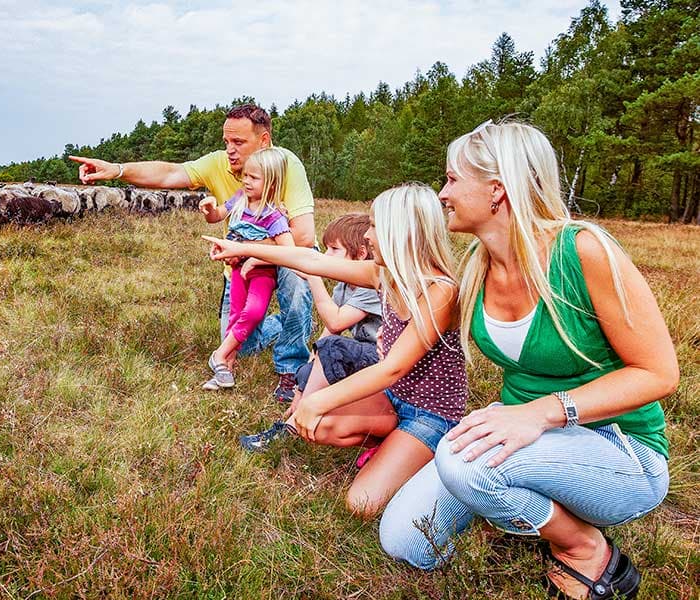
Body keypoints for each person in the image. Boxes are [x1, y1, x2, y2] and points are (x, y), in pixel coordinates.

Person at [378, 121, 677, 600]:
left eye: (452, 179)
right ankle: (530, 503)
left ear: (497, 189)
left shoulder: (582, 250)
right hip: (529, 435)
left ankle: (586, 548)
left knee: (462, 461)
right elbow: (385, 272)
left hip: (620, 450)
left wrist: (538, 413)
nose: (442, 194)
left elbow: (660, 373)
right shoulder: (477, 263)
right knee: (405, 540)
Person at [205, 183, 468, 519]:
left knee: (361, 504)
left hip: (431, 415)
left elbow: (392, 368)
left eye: (375, 226)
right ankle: (393, 443)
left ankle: (429, 458)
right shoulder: (384, 275)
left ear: (401, 231)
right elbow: (310, 259)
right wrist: (238, 247)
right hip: (392, 398)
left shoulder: (440, 291)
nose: (369, 236)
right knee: (321, 427)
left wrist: (317, 400)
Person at [69, 104, 315, 401]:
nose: (230, 151)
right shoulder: (220, 165)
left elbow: (302, 237)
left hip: (284, 253)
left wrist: (247, 251)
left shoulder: (287, 164)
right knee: (244, 343)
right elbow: (171, 173)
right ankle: (288, 322)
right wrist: (118, 170)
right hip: (238, 263)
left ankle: (290, 369)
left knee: (298, 281)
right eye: (226, 142)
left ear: (264, 142)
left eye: (239, 143)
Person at [239, 212, 383, 452]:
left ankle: (290, 429)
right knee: (318, 355)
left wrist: (314, 278)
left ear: (360, 254)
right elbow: (325, 338)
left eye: (334, 249)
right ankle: (294, 420)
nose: (326, 257)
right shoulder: (343, 287)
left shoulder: (372, 287)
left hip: (383, 361)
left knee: (332, 350)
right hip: (367, 357)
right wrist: (302, 383)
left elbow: (336, 323)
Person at [199, 148, 295, 390]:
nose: (246, 181)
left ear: (272, 183)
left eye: (254, 178)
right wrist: (210, 208)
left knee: (253, 311)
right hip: (237, 270)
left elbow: (290, 251)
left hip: (261, 273)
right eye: (246, 175)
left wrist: (255, 257)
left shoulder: (274, 217)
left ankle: (219, 355)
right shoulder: (240, 198)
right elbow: (218, 215)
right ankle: (224, 370)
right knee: (235, 316)